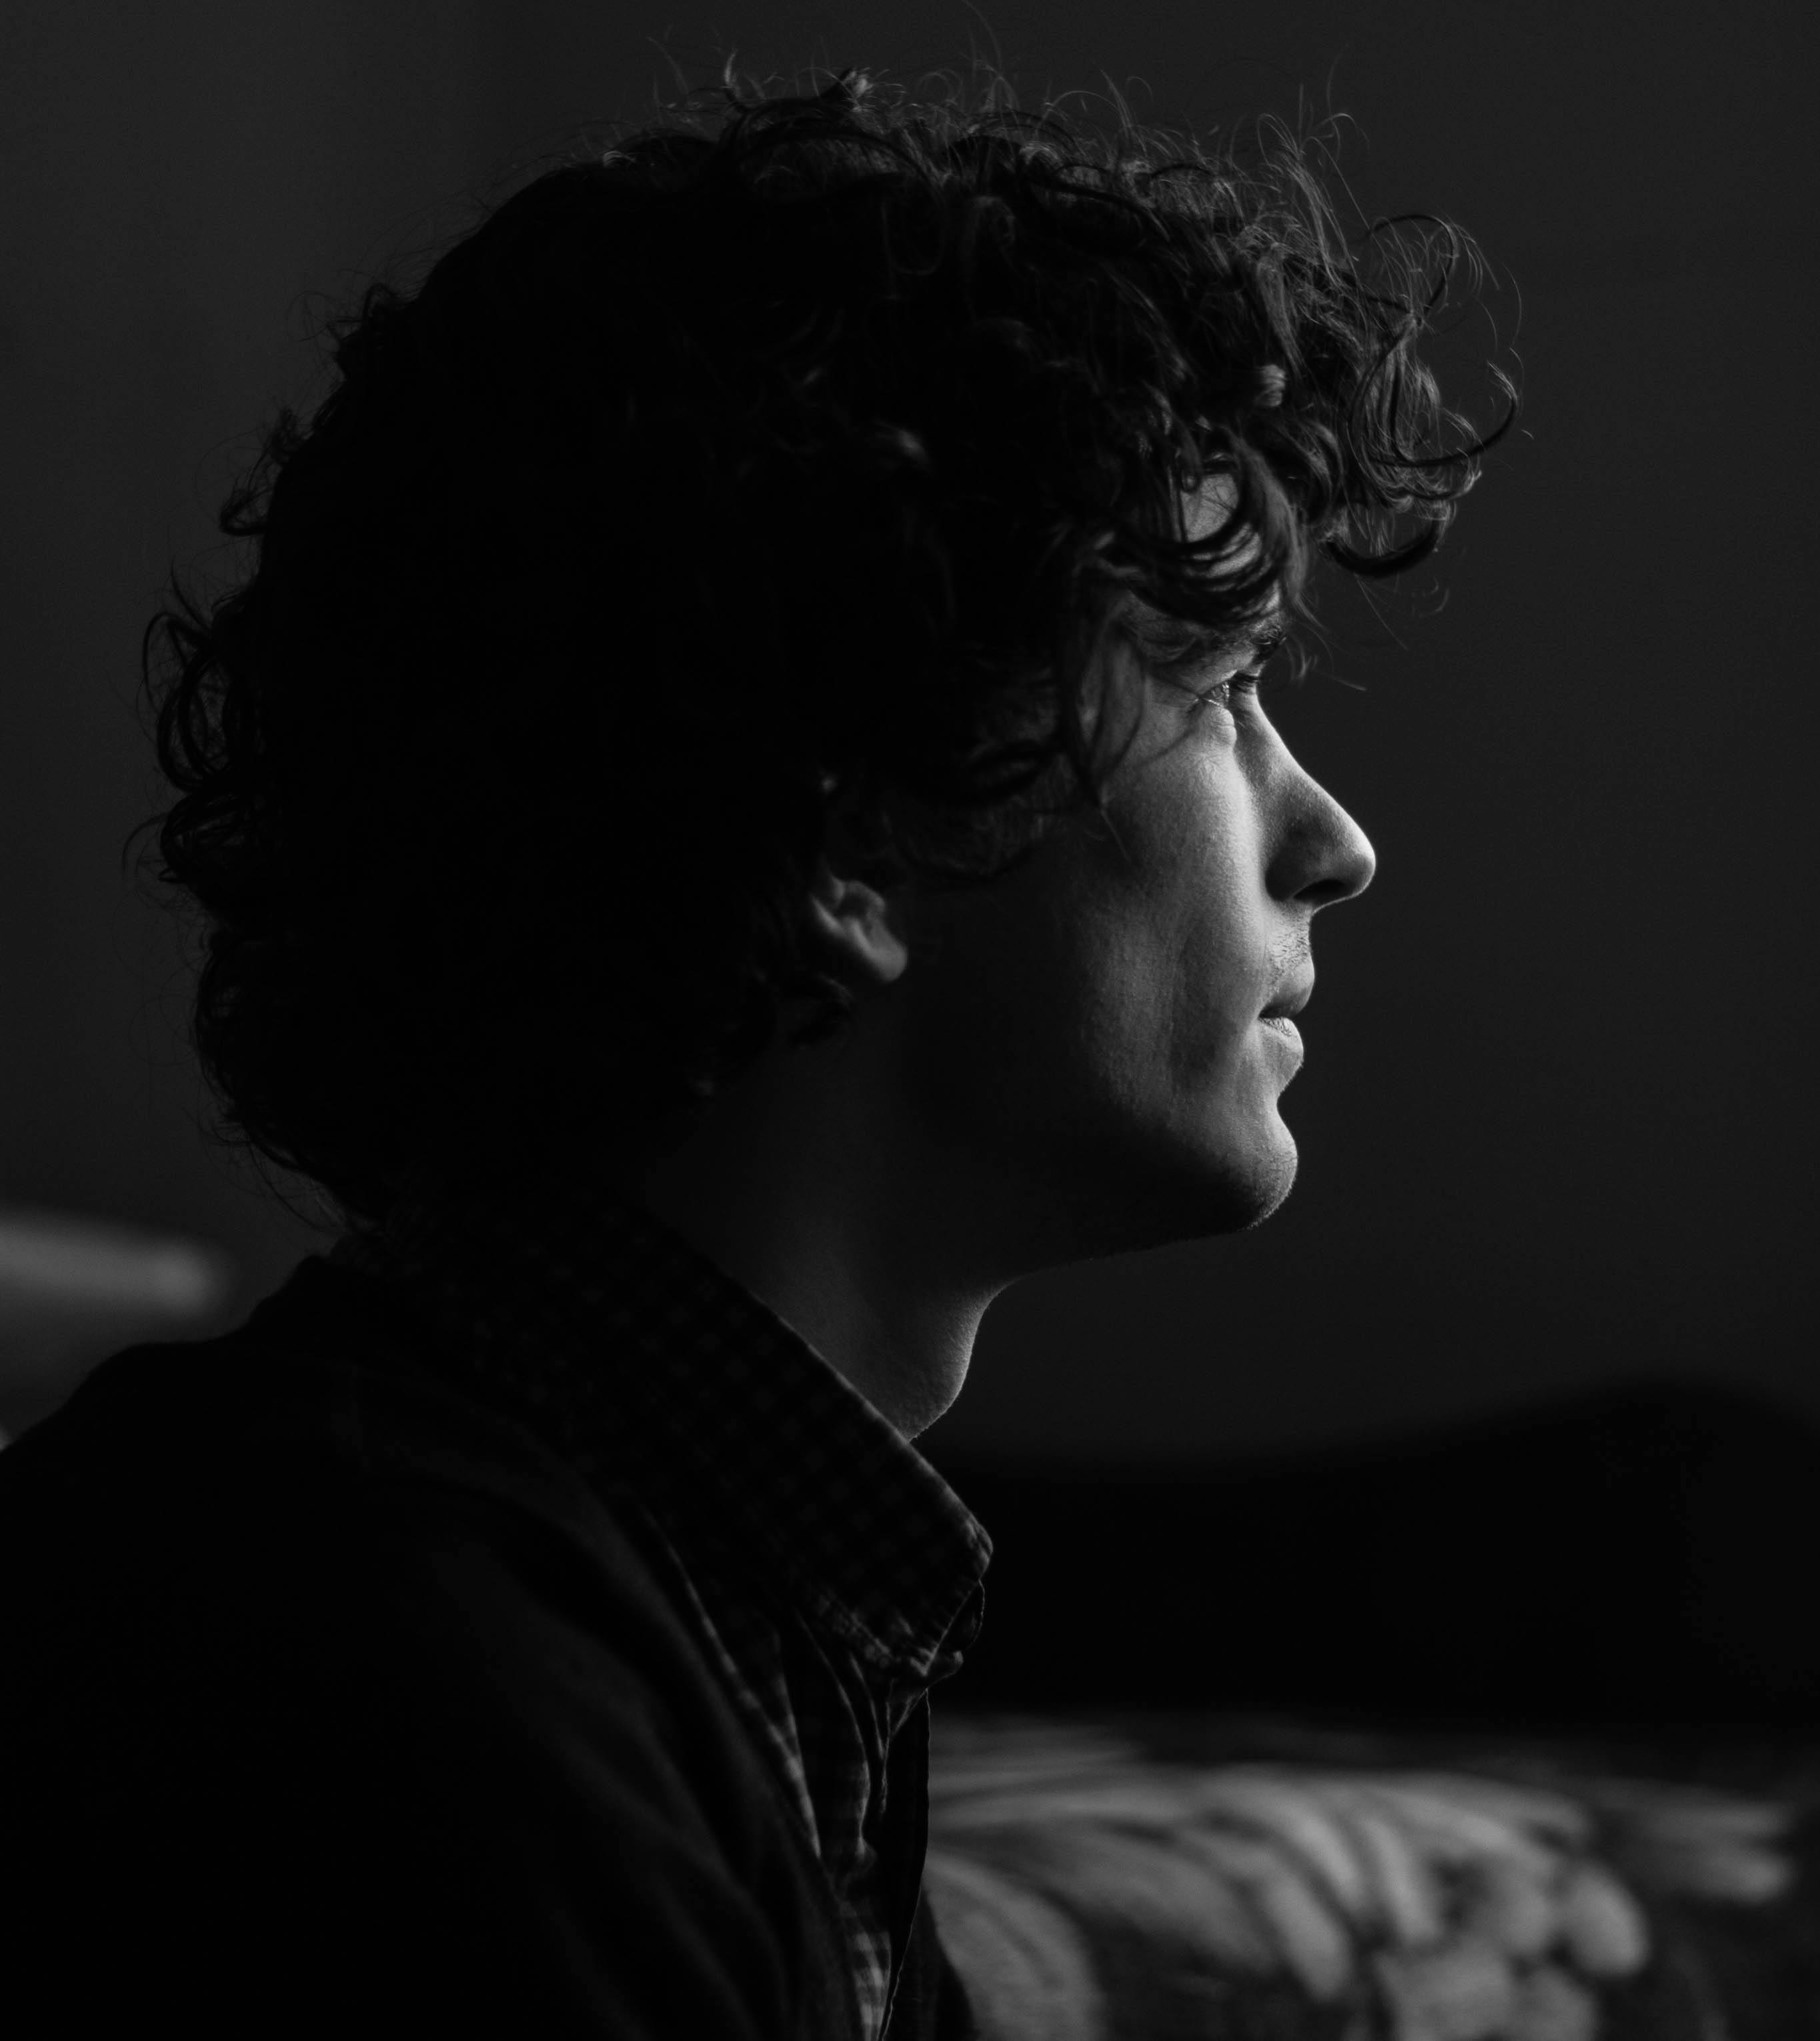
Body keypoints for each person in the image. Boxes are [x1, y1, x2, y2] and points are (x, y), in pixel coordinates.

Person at [0, 63, 1507, 2039]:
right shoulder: (394, 1686)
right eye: (1220, 690)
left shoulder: (720, 1592)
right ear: (856, 825)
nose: (1338, 841)